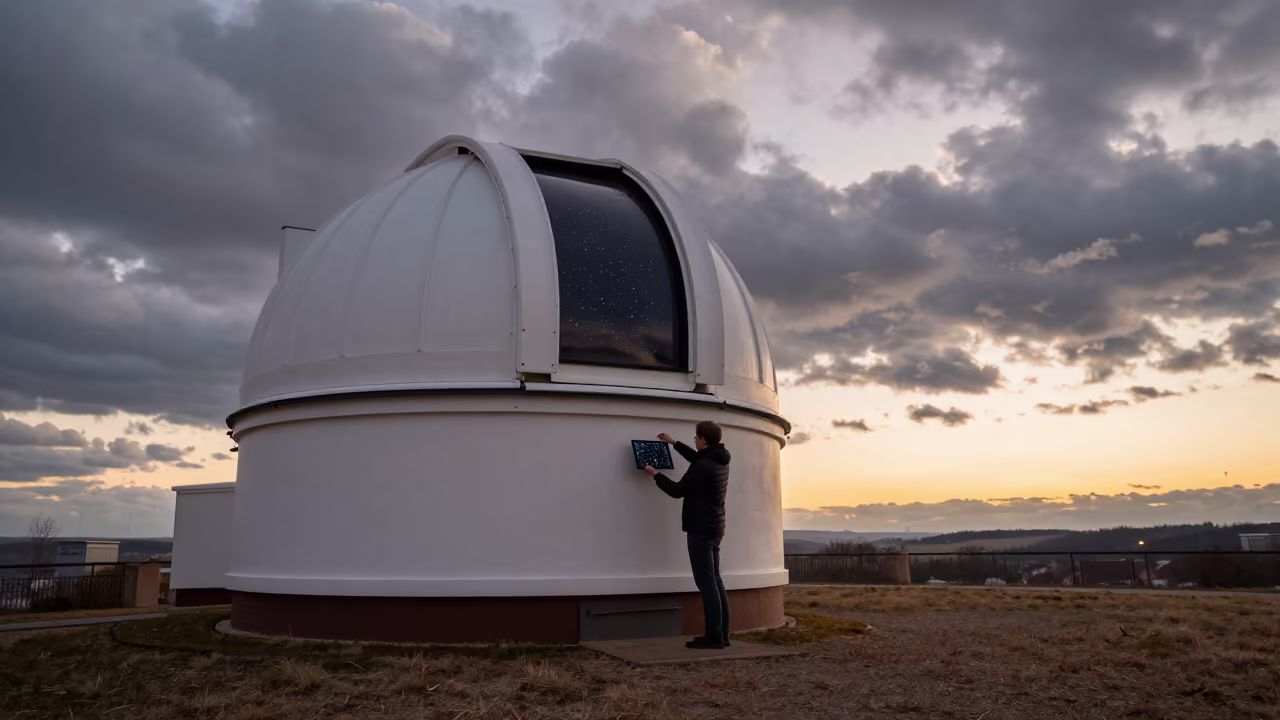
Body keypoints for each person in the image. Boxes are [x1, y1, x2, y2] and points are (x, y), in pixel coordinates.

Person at [643, 421, 731, 650]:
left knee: (707, 583)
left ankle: (713, 637)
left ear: (703, 440)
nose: (694, 440)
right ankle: (722, 634)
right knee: (716, 581)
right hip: (715, 528)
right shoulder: (719, 458)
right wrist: (673, 443)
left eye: (695, 437)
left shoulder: (703, 466)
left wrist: (655, 474)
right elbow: (697, 458)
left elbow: (677, 491)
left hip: (700, 529)